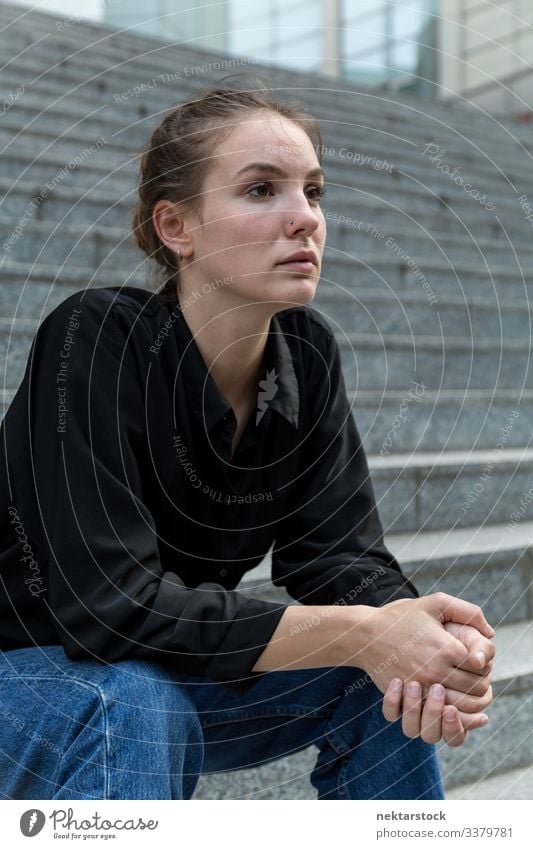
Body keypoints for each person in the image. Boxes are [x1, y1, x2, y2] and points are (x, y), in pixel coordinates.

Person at [0, 77, 494, 801]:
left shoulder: (306, 351)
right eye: (262, 190)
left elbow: (337, 552)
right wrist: (361, 629)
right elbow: (112, 608)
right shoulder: (95, 337)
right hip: (30, 671)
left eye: (313, 191)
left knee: (383, 672)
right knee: (137, 703)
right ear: (177, 226)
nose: (304, 219)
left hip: (158, 672)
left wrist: (417, 631)